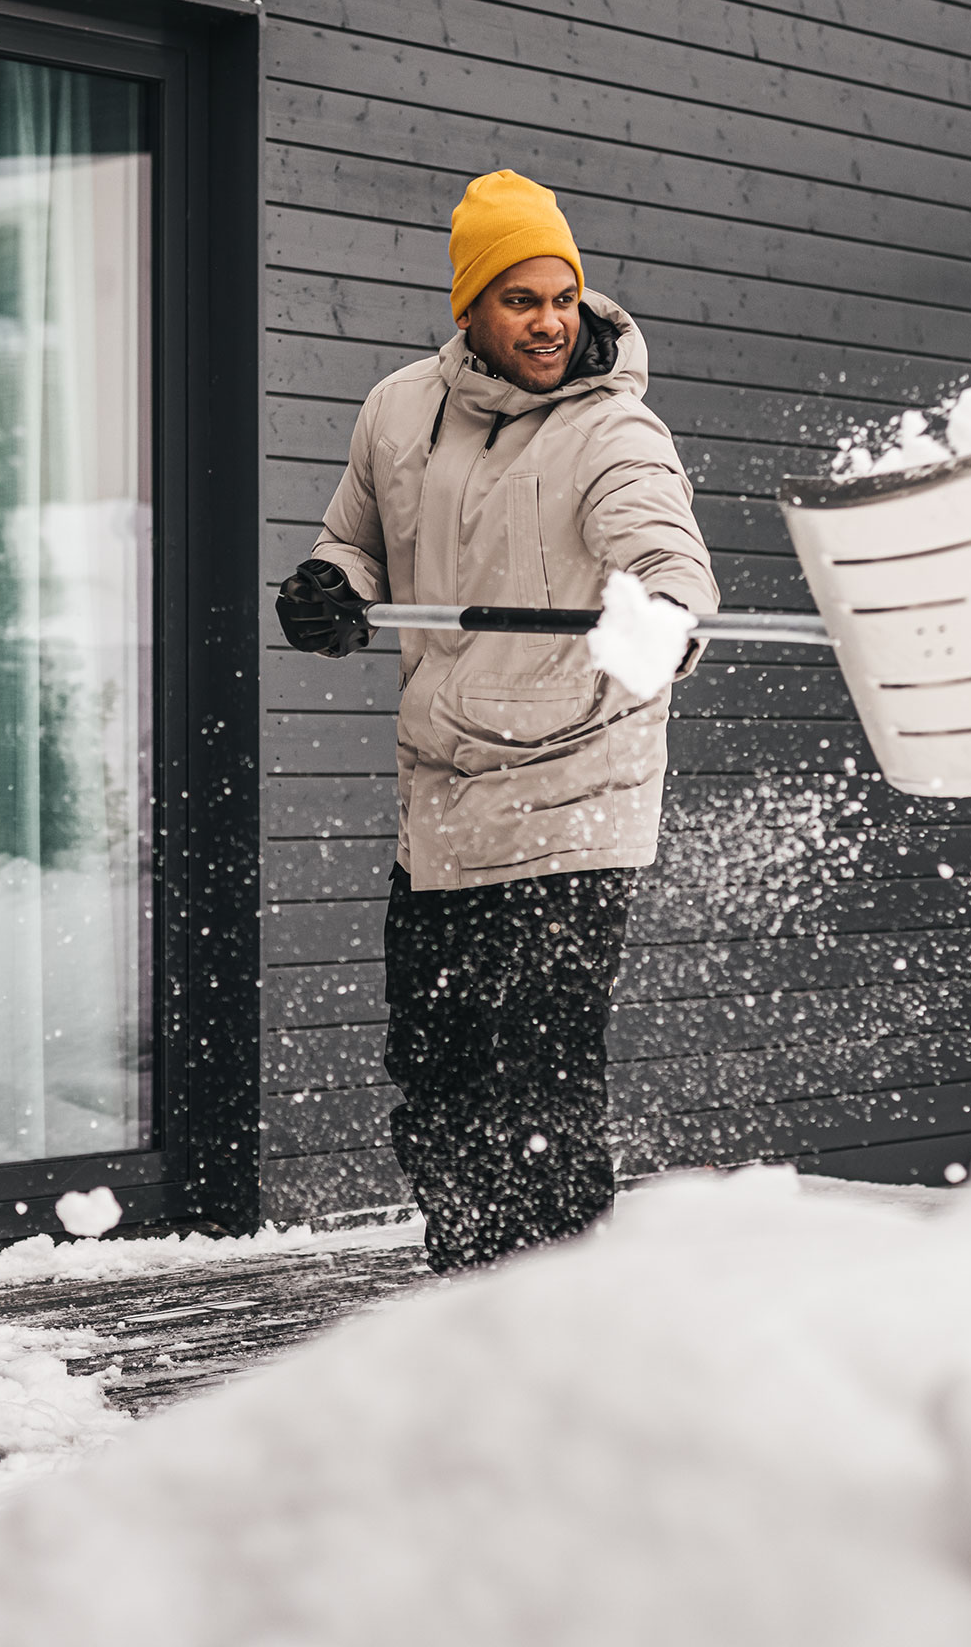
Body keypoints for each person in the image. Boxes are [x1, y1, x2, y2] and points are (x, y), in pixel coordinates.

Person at [276, 170, 718, 1273]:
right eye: (521, 300)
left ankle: (556, 1319)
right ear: (469, 306)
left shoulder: (612, 430)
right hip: (443, 804)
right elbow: (354, 539)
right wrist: (330, 587)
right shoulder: (397, 411)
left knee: (537, 1089)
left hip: (574, 798)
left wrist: (663, 620)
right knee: (436, 1075)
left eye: (562, 298)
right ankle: (472, 1292)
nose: (550, 322)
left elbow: (666, 556)